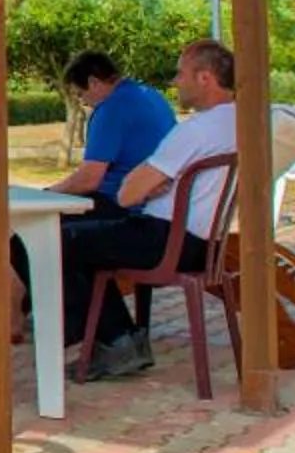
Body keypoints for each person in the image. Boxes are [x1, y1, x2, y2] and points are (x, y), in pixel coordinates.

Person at [60, 38, 243, 381]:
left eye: (182, 74)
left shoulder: (196, 130)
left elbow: (129, 195)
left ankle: (116, 341)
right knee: (80, 239)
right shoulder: (241, 123)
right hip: (207, 243)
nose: (175, 82)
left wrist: (151, 180)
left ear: (205, 78)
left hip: (166, 238)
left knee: (58, 242)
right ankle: (119, 336)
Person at [50, 52, 174, 220]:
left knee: (41, 224)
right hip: (159, 201)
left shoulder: (111, 109)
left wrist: (48, 194)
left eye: (80, 94)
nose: (83, 102)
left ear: (93, 82)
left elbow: (88, 180)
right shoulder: (152, 95)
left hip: (125, 206)